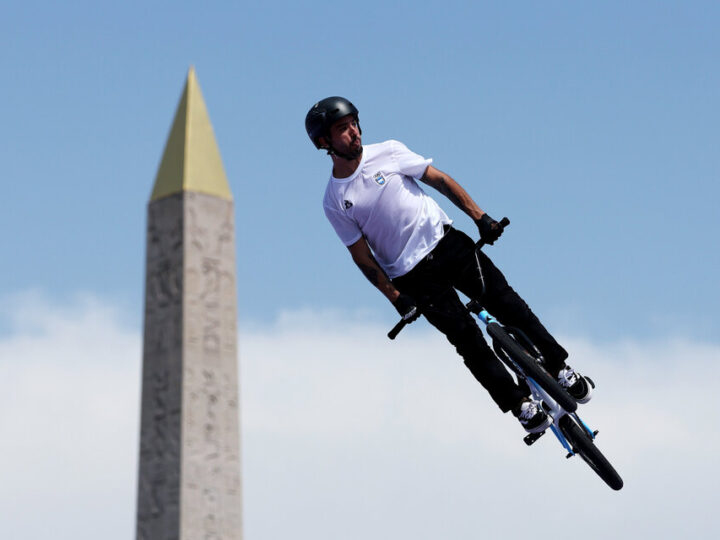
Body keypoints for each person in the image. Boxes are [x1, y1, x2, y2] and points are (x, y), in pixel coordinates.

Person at [305, 96, 592, 433]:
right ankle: (521, 407)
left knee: (508, 302)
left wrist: (480, 217)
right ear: (325, 142)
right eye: (343, 129)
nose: (353, 132)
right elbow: (361, 255)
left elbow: (438, 180)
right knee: (468, 342)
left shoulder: (389, 151)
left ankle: (560, 368)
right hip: (413, 277)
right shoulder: (334, 200)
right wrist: (396, 298)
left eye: (353, 123)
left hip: (448, 244)